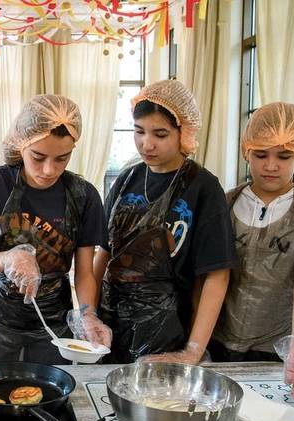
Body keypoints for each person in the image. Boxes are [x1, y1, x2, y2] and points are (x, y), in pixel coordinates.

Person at [0, 94, 112, 365]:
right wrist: (7, 258)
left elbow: (85, 271)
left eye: (62, 159)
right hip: (0, 316)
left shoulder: (83, 195)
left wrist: (88, 313)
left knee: (48, 394)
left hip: (54, 320)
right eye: (38, 157)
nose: (48, 170)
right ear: (21, 144)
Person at [94, 79, 235, 365]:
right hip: (110, 330)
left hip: (168, 336)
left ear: (184, 133)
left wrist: (192, 351)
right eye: (139, 131)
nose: (147, 144)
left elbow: (217, 276)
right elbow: (104, 253)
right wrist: (89, 316)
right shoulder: (126, 180)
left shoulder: (203, 188)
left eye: (160, 134)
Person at [210, 102, 294, 409]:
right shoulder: (225, 203)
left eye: (284, 156)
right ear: (245, 151)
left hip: (278, 350)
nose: (270, 166)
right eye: (260, 155)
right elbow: (209, 278)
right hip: (220, 341)